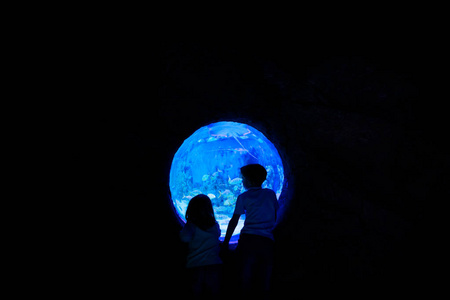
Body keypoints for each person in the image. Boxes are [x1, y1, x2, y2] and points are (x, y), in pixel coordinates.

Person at [222, 163, 278, 299]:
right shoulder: (271, 194)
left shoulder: (243, 197)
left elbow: (234, 221)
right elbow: (275, 213)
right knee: (265, 275)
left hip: (248, 240)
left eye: (243, 179)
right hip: (267, 241)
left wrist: (226, 242)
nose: (242, 181)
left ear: (248, 180)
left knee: (245, 274)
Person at [179, 194, 223, 299]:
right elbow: (218, 234)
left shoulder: (191, 226)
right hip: (213, 264)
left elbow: (184, 238)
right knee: (213, 293)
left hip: (195, 265)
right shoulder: (215, 225)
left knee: (196, 293)